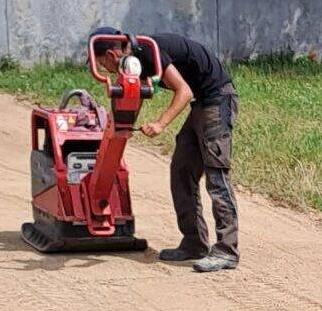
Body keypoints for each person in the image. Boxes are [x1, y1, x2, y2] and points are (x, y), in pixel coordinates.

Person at [102, 31, 240, 273]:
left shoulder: (145, 51)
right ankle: (193, 243)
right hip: (203, 103)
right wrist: (123, 126)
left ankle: (227, 251)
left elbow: (183, 91)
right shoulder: (135, 61)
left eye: (103, 64)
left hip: (217, 100)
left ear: (112, 55)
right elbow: (136, 96)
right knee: (181, 170)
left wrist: (160, 123)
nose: (106, 70)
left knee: (216, 176)